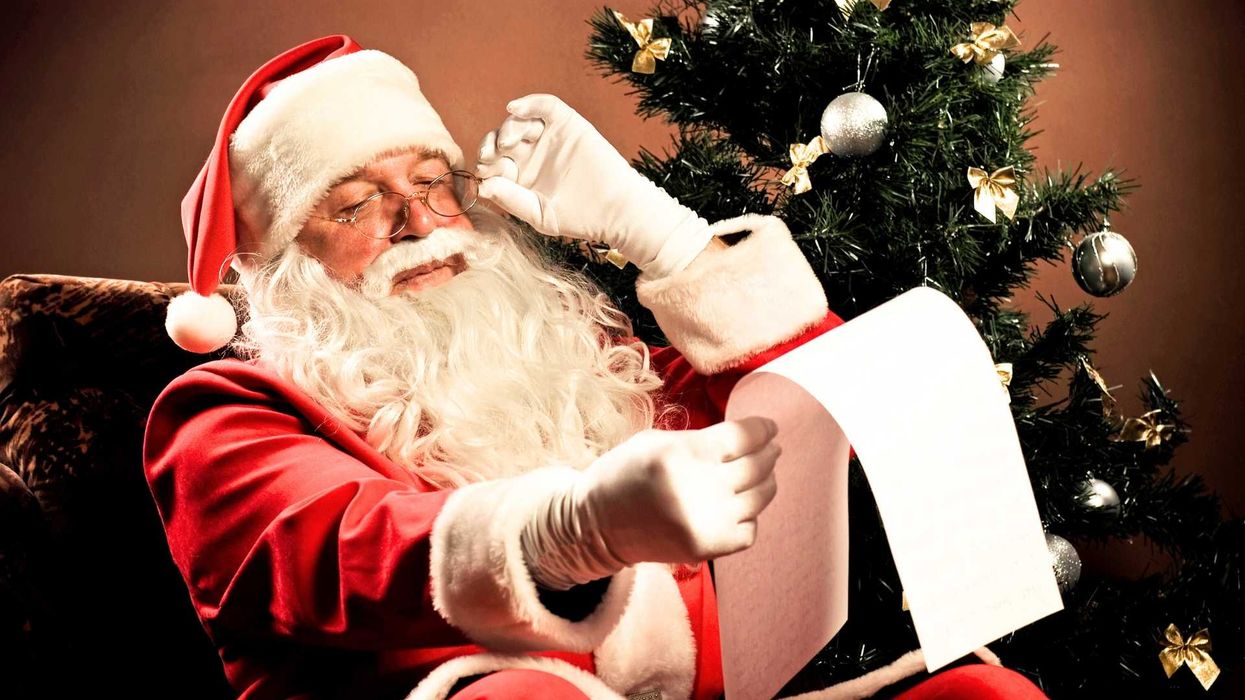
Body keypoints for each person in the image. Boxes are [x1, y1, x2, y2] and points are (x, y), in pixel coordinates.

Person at [144, 35, 1048, 700]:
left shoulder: (576, 362)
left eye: (432, 184)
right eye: (353, 206)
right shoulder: (224, 413)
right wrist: (573, 528)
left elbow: (813, 415)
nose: (418, 224)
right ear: (279, 264)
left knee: (981, 695)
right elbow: (338, 555)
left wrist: (662, 234)